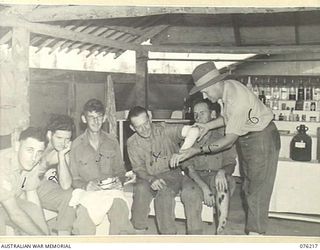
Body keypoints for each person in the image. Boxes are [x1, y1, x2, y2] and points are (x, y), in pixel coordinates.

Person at [171, 61, 281, 235]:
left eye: (206, 91)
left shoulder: (237, 99)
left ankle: (256, 236)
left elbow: (229, 141)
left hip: (261, 139)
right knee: (249, 187)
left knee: (257, 191)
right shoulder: (227, 88)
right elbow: (227, 118)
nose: (205, 97)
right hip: (249, 138)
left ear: (215, 84)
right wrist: (209, 126)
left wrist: (197, 150)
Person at [127, 106, 199, 234]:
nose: (144, 129)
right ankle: (139, 232)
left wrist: (181, 153)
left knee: (164, 193)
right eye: (139, 127)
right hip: (147, 176)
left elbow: (194, 131)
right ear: (132, 128)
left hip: (170, 174)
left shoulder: (165, 130)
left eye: (146, 123)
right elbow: (138, 168)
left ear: (150, 118)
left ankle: (168, 237)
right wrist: (151, 179)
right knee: (140, 189)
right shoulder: (132, 143)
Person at [69, 98, 134, 235]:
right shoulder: (76, 145)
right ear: (84, 119)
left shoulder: (112, 141)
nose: (95, 121)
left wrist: (119, 181)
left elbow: (120, 171)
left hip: (111, 190)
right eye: (91, 117)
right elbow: (74, 179)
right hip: (88, 192)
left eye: (99, 117)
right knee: (83, 221)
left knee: (121, 211)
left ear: (104, 118)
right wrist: (86, 185)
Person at [179, 99, 237, 235]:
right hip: (194, 177)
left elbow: (230, 162)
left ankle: (221, 230)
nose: (198, 118)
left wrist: (222, 172)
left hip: (215, 175)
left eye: (202, 113)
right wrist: (204, 188)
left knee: (224, 184)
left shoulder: (224, 135)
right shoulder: (189, 134)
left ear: (212, 115)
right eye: (195, 114)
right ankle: (195, 236)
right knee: (189, 193)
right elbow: (187, 166)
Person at [0, 127, 49, 235]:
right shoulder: (2, 164)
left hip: (6, 203)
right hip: (8, 207)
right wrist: (42, 239)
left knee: (32, 210)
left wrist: (47, 237)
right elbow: (15, 213)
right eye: (30, 150)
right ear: (17, 146)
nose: (34, 158)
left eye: (39, 152)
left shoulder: (31, 163)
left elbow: (32, 196)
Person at [37, 114, 76, 235]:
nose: (63, 143)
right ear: (49, 135)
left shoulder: (62, 152)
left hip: (41, 186)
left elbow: (66, 185)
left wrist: (61, 156)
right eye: (59, 138)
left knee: (69, 195)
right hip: (22, 184)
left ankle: (63, 238)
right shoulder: (37, 143)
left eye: (67, 139)